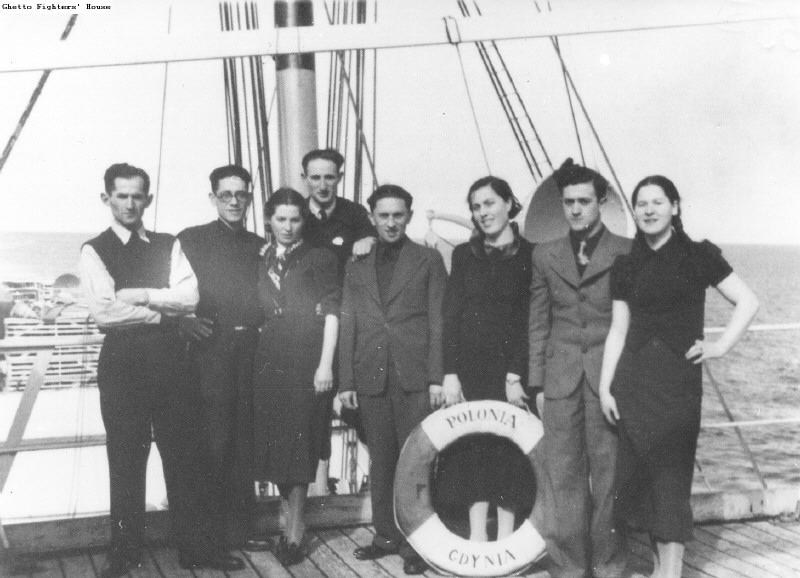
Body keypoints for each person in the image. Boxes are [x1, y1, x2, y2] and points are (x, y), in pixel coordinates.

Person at [80, 163, 243, 577]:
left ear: (148, 199)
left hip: (172, 366)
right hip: (123, 368)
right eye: (121, 195)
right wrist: (161, 314)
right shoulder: (94, 249)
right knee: (126, 458)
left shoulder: (168, 243)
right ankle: (125, 553)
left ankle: (195, 549)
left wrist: (144, 296)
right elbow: (104, 312)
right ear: (107, 199)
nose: (130, 203)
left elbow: (189, 296)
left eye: (138, 195)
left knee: (185, 457)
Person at [598, 176, 759, 578]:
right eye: (641, 204)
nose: (649, 210)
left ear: (674, 206)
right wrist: (605, 386)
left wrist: (720, 347)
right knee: (644, 483)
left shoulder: (699, 255)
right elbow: (618, 329)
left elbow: (748, 301)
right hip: (633, 384)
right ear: (634, 212)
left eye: (658, 202)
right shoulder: (626, 264)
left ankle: (670, 574)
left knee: (671, 480)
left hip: (677, 386)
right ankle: (657, 570)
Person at [528, 158, 632, 578]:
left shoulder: (626, 250)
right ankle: (568, 567)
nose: (575, 210)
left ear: (601, 201)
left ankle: (608, 566)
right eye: (569, 201)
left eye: (584, 201)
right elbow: (538, 321)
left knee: (609, 477)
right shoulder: (544, 254)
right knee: (563, 478)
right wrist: (536, 381)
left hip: (609, 380)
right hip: (560, 380)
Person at [338, 184, 447, 575]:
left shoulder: (429, 260)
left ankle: (416, 542)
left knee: (415, 461)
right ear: (372, 217)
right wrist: (346, 381)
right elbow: (348, 322)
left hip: (414, 375)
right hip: (370, 374)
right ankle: (385, 535)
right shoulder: (355, 265)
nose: (390, 222)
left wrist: (436, 377)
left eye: (397, 215)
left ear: (409, 216)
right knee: (381, 460)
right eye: (383, 215)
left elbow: (438, 320)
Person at [177, 165, 269, 556]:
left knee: (244, 442)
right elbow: (171, 289)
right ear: (213, 198)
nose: (234, 201)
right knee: (213, 444)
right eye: (225, 194)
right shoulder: (190, 240)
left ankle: (239, 531)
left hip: (251, 352)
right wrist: (181, 321)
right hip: (210, 353)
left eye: (241, 194)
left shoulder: (260, 244)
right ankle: (209, 538)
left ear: (249, 197)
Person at [437, 175, 534, 541]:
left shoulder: (531, 255)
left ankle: (506, 537)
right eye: (476, 207)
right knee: (473, 452)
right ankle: (479, 538)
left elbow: (530, 320)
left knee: (508, 455)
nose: (482, 213)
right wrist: (450, 373)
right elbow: (451, 316)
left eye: (490, 203)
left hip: (511, 374)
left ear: (510, 204)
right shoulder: (464, 255)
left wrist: (515, 375)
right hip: (470, 371)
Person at [251, 188, 341, 566]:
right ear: (269, 220)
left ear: (304, 221)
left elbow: (334, 312)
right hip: (270, 357)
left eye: (295, 219)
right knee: (277, 441)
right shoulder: (264, 256)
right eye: (280, 219)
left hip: (307, 356)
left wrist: (326, 364)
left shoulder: (320, 257)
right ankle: (287, 519)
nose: (287, 227)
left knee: (300, 442)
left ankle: (295, 531)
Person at [301, 148, 376, 266]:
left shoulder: (356, 213)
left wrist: (368, 241)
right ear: (305, 179)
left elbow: (372, 237)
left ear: (339, 177)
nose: (322, 186)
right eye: (315, 178)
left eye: (329, 177)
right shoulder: (295, 214)